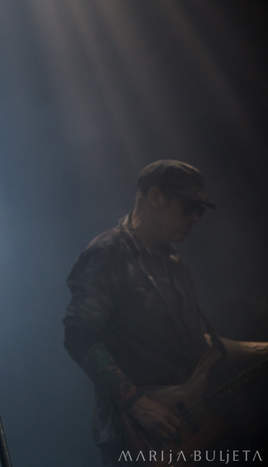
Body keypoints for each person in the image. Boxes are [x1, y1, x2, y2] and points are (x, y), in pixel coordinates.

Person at [63, 160, 217, 464]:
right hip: (135, 436)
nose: (195, 219)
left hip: (183, 429)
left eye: (200, 211)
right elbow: (79, 335)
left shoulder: (173, 262)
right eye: (189, 208)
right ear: (156, 197)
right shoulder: (108, 252)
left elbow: (195, 342)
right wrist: (135, 401)